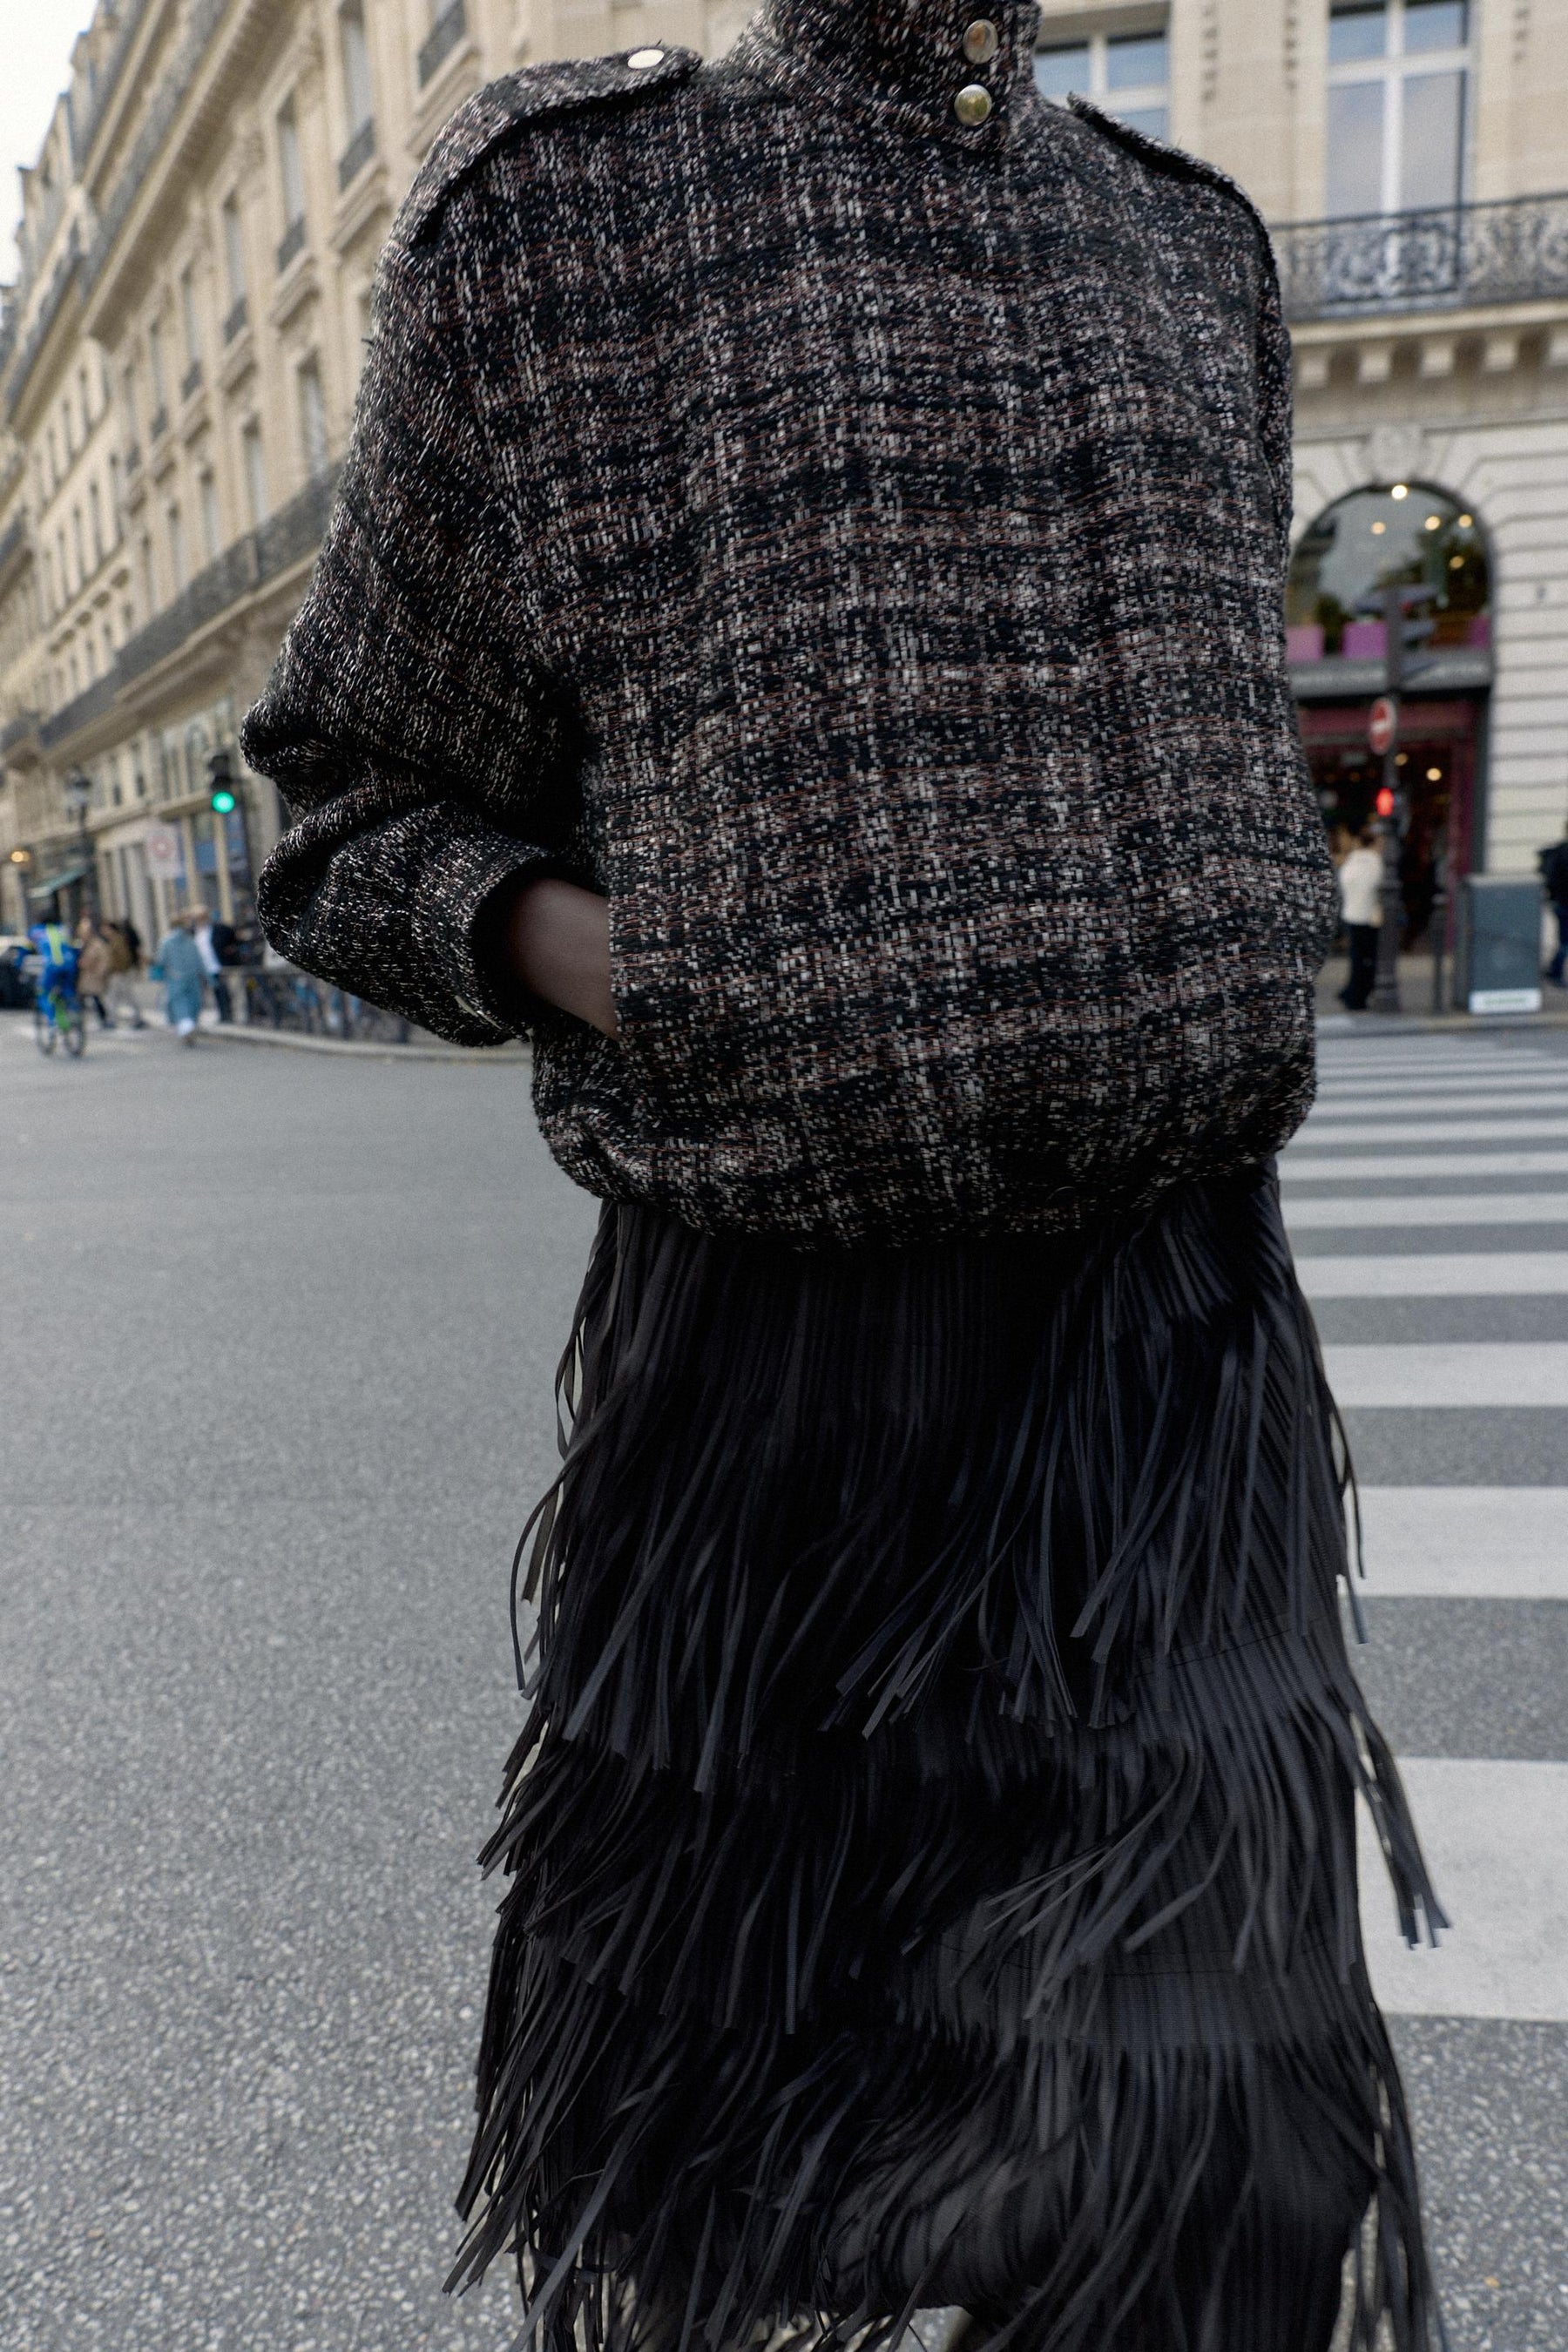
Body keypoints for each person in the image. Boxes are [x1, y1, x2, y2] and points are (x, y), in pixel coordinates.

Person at [240, 12, 1443, 2351]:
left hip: (1177, 1380)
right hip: (778, 1408)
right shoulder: (562, 217)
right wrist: (665, 971)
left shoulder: (1194, 249)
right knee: (753, 2163)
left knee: (1224, 2164)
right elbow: (348, 813)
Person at [1337, 823, 1385, 1010]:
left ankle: (1351, 992)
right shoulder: (1375, 862)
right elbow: (1378, 886)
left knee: (1357, 957)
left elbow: (1344, 882)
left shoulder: (1352, 860)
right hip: (1369, 917)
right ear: (1374, 843)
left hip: (1351, 914)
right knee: (1368, 959)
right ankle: (1357, 995)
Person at [151, 910, 207, 1044]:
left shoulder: (166, 942)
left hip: (174, 978)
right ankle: (190, 1026)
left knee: (179, 1004)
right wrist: (208, 977)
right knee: (194, 1003)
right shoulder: (190, 941)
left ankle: (185, 1027)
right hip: (193, 978)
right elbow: (200, 961)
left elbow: (160, 961)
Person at [189, 904, 234, 1022]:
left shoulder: (219, 929)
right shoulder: (193, 932)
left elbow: (233, 939)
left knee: (221, 992)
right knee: (200, 994)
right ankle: (196, 1018)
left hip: (216, 966)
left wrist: (230, 951)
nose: (200, 920)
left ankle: (226, 1016)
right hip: (200, 968)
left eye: (202, 917)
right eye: (197, 917)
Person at [104, 918, 148, 1029]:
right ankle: (114, 1019)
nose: (104, 931)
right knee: (116, 997)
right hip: (119, 972)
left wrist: (117, 969)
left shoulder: (117, 940)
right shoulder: (115, 940)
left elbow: (123, 957)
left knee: (121, 996)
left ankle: (118, 1019)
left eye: (106, 929)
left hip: (120, 973)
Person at [74, 915, 114, 1030]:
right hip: (88, 978)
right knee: (86, 999)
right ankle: (79, 1021)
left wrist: (100, 973)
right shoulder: (85, 945)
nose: (82, 936)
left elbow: (105, 960)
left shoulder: (97, 944)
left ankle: (105, 1020)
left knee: (98, 1000)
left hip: (94, 977)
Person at [1540, 819, 1568, 984]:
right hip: (1564, 904)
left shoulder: (1559, 851)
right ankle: (1555, 971)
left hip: (1559, 903)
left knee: (1564, 941)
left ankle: (1554, 970)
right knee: (1565, 942)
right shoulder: (1563, 853)